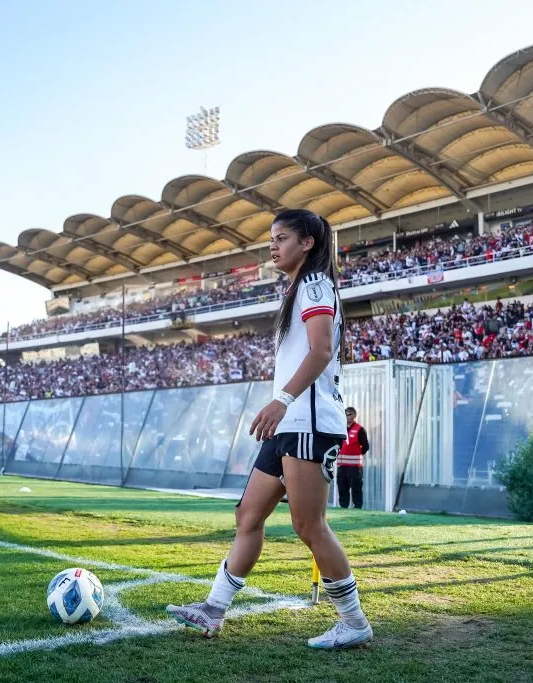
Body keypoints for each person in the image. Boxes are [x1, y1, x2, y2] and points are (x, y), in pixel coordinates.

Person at [166, 209, 372, 649]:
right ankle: (213, 609)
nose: (273, 246)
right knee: (248, 515)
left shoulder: (315, 285)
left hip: (309, 424)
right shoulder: (299, 289)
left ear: (308, 243)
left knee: (309, 525)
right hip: (290, 426)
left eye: (281, 238)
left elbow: (320, 351)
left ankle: (354, 623)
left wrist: (282, 401)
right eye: (272, 239)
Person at [336, 407, 370, 509]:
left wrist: (356, 455)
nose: (347, 417)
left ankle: (357, 508)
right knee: (342, 488)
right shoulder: (340, 429)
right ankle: (343, 508)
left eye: (349, 414)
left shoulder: (360, 429)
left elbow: (365, 446)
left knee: (356, 488)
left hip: (354, 466)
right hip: (341, 466)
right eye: (345, 414)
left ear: (354, 416)